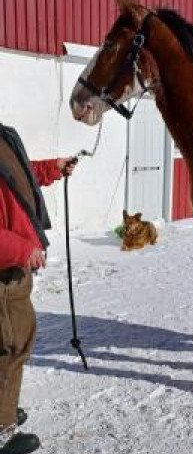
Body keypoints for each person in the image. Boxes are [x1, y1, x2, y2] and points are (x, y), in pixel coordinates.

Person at [0, 123, 76, 454]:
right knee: (11, 345)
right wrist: (22, 249)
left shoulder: (3, 137)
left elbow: (16, 177)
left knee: (17, 339)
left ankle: (3, 407)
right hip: (4, 270)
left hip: (12, 267)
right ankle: (1, 429)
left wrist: (49, 169)